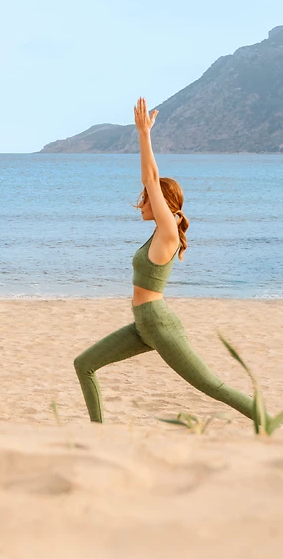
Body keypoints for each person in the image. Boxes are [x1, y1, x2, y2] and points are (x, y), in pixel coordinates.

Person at [73, 98, 255, 423]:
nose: (142, 203)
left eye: (147, 199)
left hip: (159, 325)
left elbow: (150, 178)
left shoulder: (168, 233)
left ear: (163, 204)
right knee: (83, 364)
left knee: (211, 385)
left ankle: (270, 420)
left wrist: (144, 135)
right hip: (142, 325)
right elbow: (152, 180)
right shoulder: (158, 233)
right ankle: (97, 433)